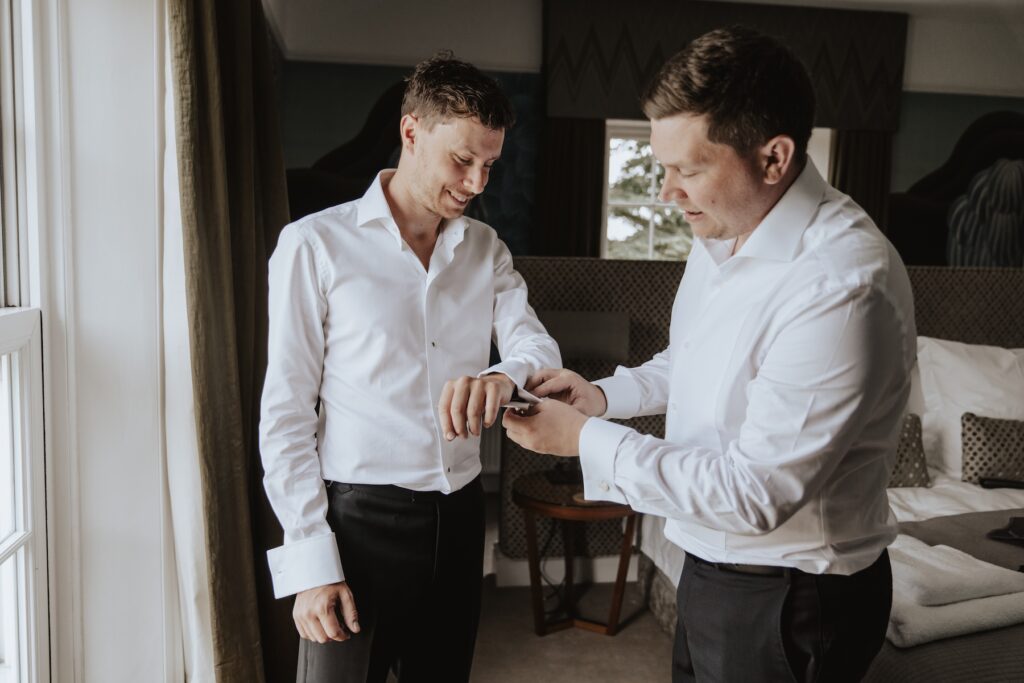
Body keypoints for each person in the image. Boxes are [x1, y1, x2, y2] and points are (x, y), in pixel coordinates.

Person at [503, 26, 915, 683]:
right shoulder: (725, 228)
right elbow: (693, 359)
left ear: (774, 158)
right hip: (710, 562)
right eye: (663, 166)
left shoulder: (842, 285)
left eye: (688, 169)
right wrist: (604, 396)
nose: (667, 192)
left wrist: (585, 440)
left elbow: (756, 493)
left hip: (792, 594)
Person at [260, 52, 560, 683]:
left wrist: (504, 376)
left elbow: (537, 349)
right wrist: (311, 565)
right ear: (412, 131)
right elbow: (285, 414)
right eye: (462, 160)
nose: (478, 183)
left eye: (490, 164)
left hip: (457, 521)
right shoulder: (314, 244)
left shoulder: (486, 249)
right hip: (355, 523)